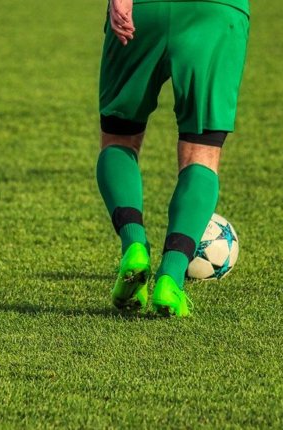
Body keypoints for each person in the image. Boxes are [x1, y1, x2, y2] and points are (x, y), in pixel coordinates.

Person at [97, 0, 249, 316]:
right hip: (216, 12)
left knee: (119, 137)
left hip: (142, 11)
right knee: (201, 150)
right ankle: (171, 276)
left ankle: (134, 244)